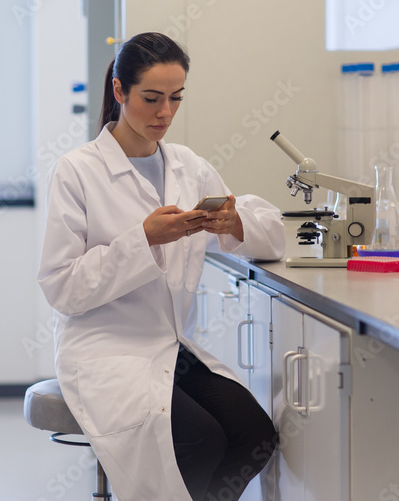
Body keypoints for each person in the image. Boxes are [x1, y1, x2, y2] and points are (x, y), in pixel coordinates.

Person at [37, 32, 285, 500]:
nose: (164, 113)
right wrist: (144, 240)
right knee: (200, 441)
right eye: (151, 98)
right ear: (118, 91)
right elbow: (61, 286)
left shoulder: (188, 167)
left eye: (175, 98)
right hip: (105, 351)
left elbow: (268, 234)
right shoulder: (77, 172)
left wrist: (234, 222)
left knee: (256, 436)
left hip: (169, 348)